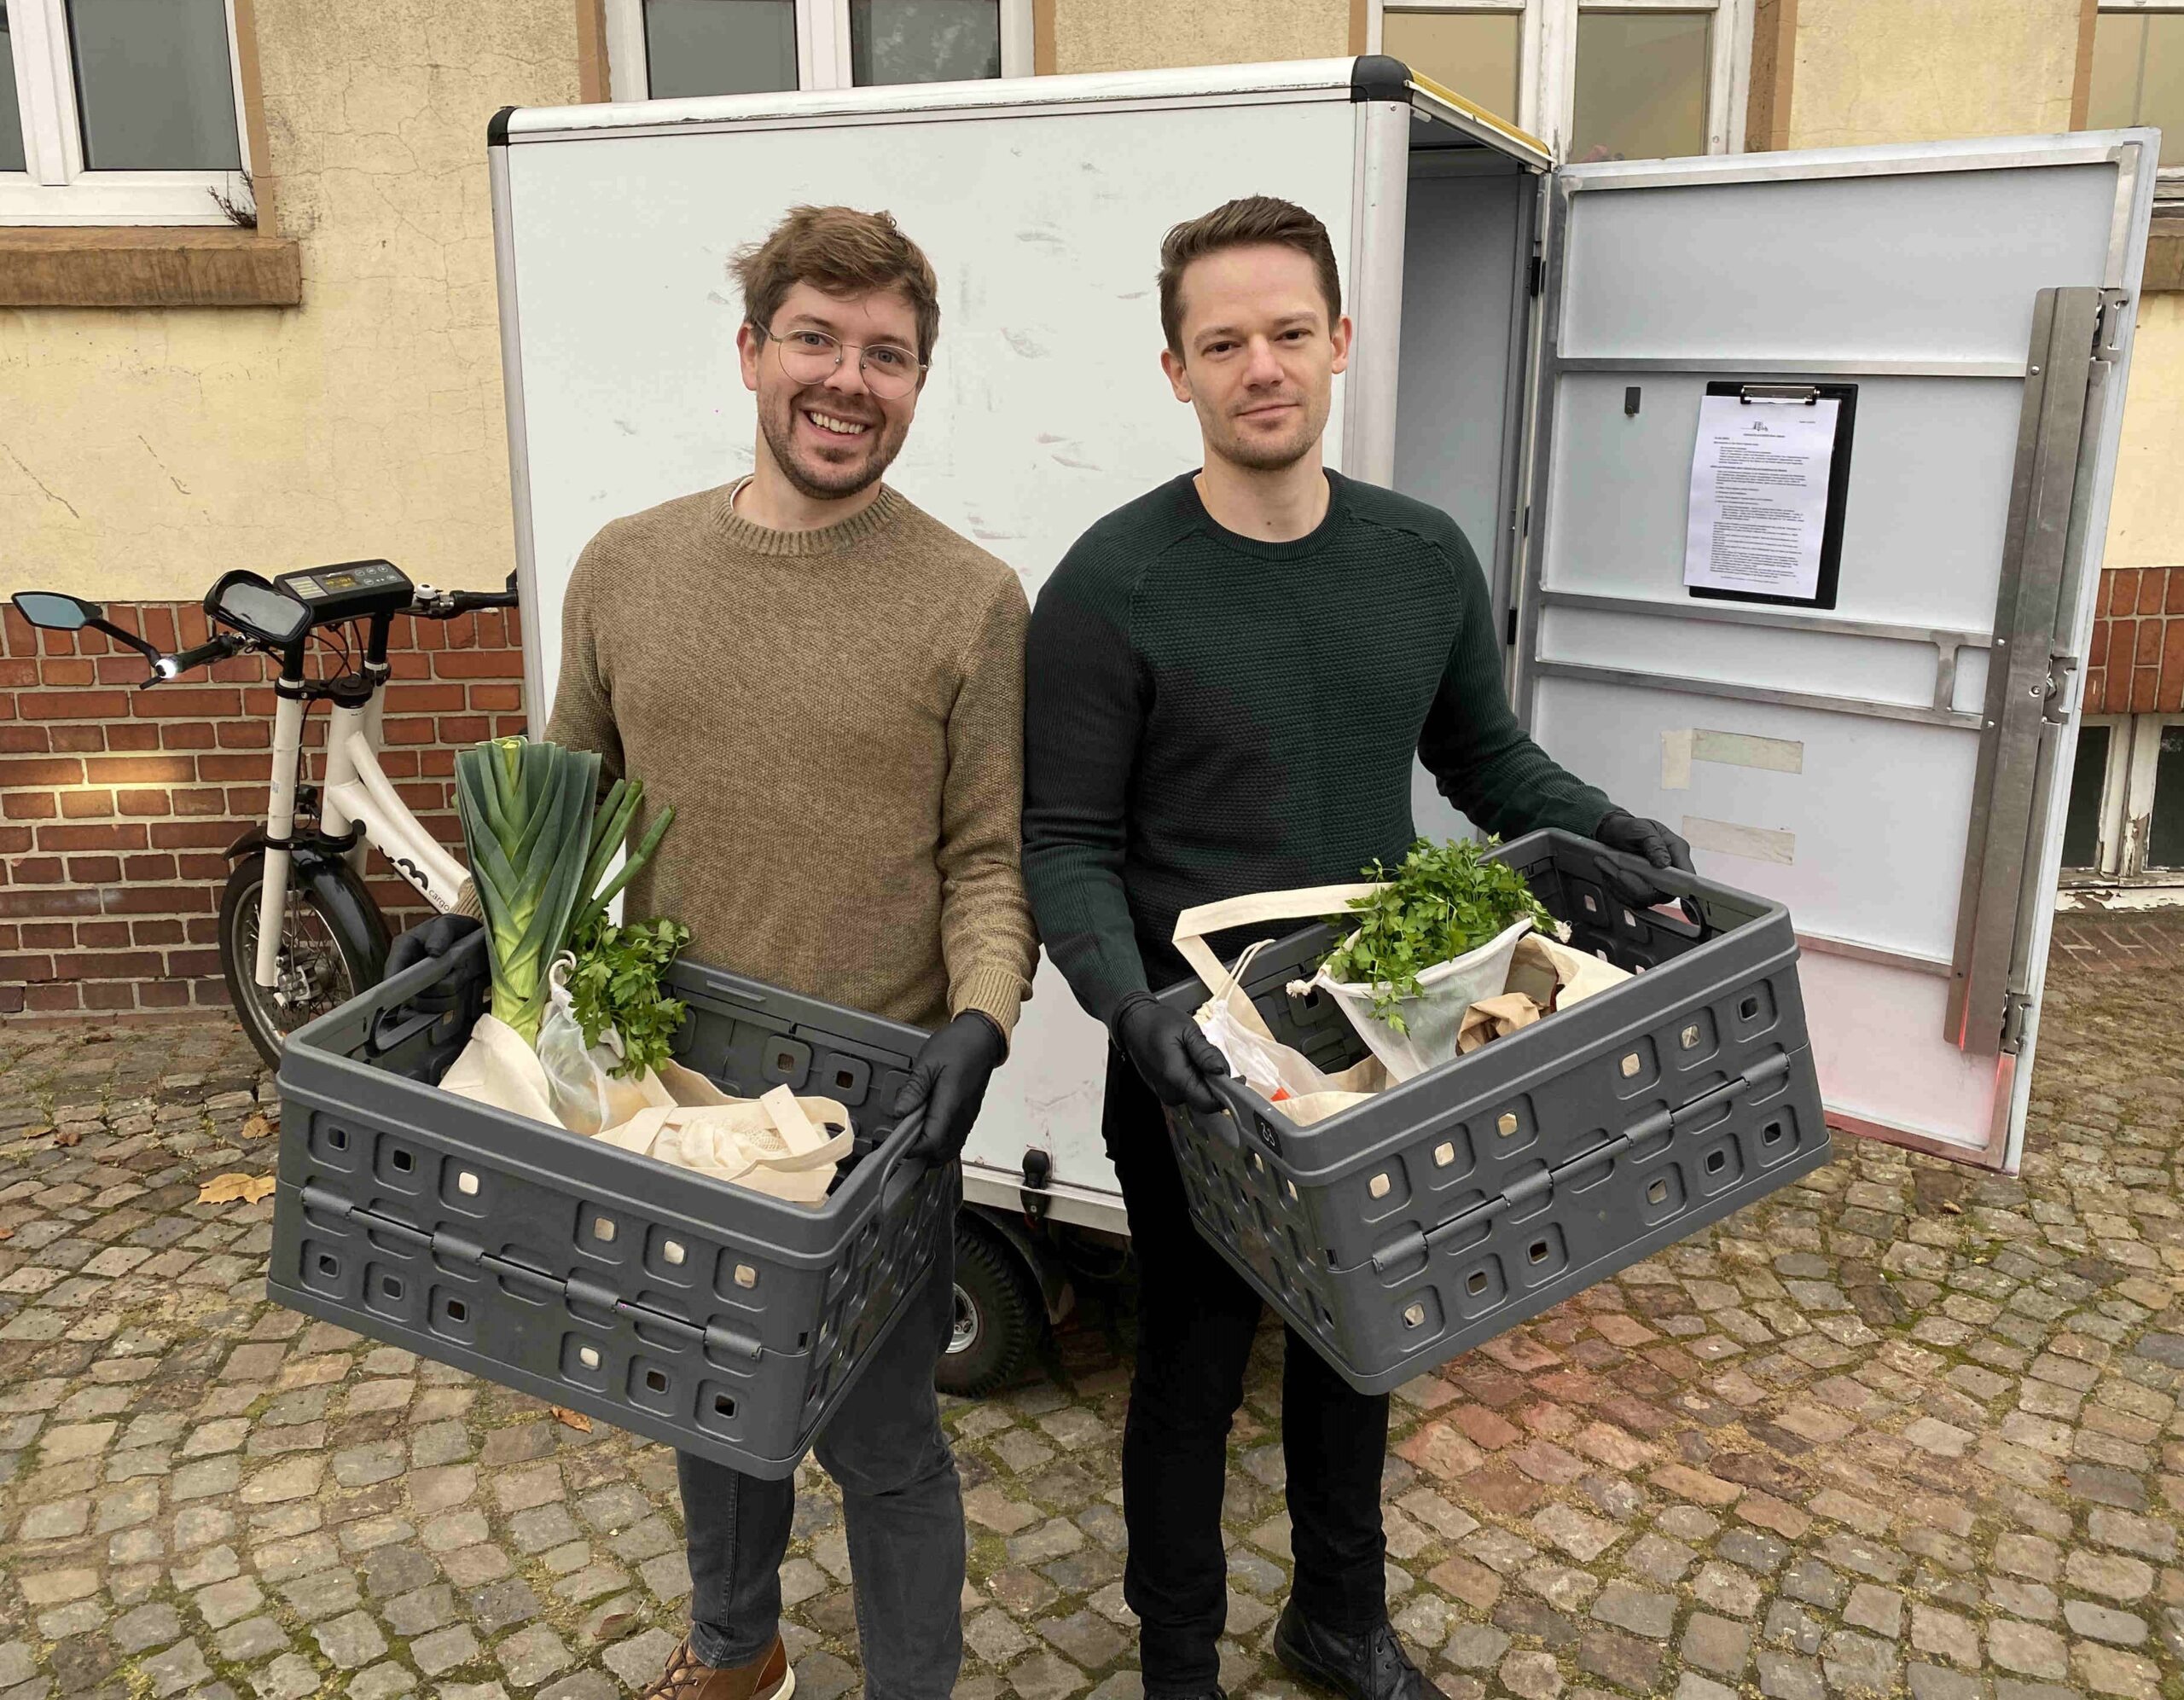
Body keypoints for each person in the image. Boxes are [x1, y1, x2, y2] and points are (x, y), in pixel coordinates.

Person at [1019, 196, 1691, 1700]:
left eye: (1284, 333)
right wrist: (1128, 1007)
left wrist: (1601, 825)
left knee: (1362, 1343)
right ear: (1177, 371)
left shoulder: (1420, 556)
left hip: (1381, 1036)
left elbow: (1483, 756)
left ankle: (1338, 1617)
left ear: (1337, 342)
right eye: (1221, 344)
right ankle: (1179, 1659)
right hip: (1195, 1062)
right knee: (1192, 1373)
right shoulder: (1113, 584)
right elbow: (1062, 840)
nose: (1259, 366)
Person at [394, 205, 1037, 1700]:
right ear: (752, 352)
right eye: (816, 338)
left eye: (887, 354)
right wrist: (481, 919)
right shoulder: (628, 567)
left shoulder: (972, 601)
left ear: (918, 383)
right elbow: (564, 799)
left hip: (870, 1113)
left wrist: (984, 1016)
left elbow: (986, 860)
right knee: (710, 1393)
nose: (848, 379)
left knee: (885, 1443)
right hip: (671, 1090)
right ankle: (739, 1653)